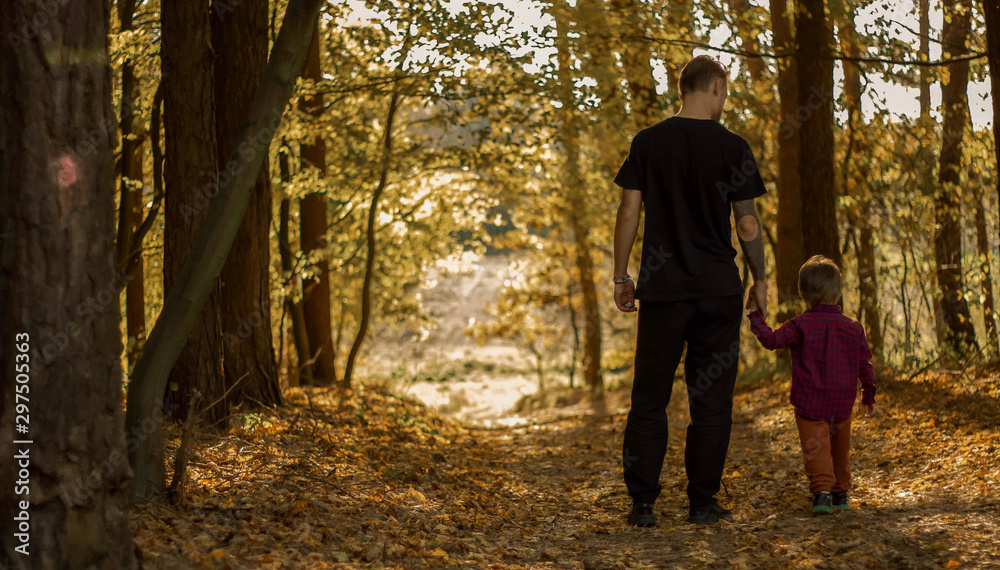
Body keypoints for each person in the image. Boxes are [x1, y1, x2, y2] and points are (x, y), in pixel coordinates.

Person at [612, 55, 768, 526]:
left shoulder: (648, 142)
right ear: (717, 87)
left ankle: (643, 504)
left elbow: (628, 212)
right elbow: (745, 222)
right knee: (712, 402)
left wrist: (622, 277)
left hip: (662, 293)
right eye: (727, 90)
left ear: (683, 89)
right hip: (718, 291)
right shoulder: (733, 146)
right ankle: (702, 503)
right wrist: (760, 280)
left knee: (649, 400)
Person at [746, 255, 876, 514]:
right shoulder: (854, 328)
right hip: (842, 402)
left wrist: (755, 316)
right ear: (838, 293)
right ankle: (841, 493)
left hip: (810, 401)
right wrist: (868, 397)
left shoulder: (800, 325)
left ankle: (823, 494)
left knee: (816, 447)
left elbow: (771, 340)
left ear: (804, 294)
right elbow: (865, 365)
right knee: (840, 447)